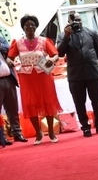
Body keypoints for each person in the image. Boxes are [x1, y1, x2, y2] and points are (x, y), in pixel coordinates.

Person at [7, 15, 62, 145]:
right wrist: (10, 62)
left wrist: (51, 60)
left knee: (47, 102)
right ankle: (38, 132)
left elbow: (55, 55)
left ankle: (51, 132)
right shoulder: (18, 43)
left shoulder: (44, 41)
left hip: (43, 75)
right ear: (23, 28)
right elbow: (10, 57)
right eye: (27, 25)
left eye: (32, 25)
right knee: (30, 104)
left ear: (36, 26)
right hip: (26, 77)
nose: (30, 27)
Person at [57, 12, 98, 137]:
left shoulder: (91, 32)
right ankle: (85, 127)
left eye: (78, 19)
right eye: (73, 20)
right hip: (75, 75)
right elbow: (60, 53)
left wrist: (91, 61)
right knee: (79, 102)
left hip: (92, 72)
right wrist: (67, 36)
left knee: (96, 100)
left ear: (82, 20)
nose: (76, 22)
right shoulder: (63, 35)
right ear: (68, 22)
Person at [0, 33, 27, 143]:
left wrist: (1, 47)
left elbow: (10, 48)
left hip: (9, 78)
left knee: (12, 108)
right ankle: (2, 137)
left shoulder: (0, 38)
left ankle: (17, 132)